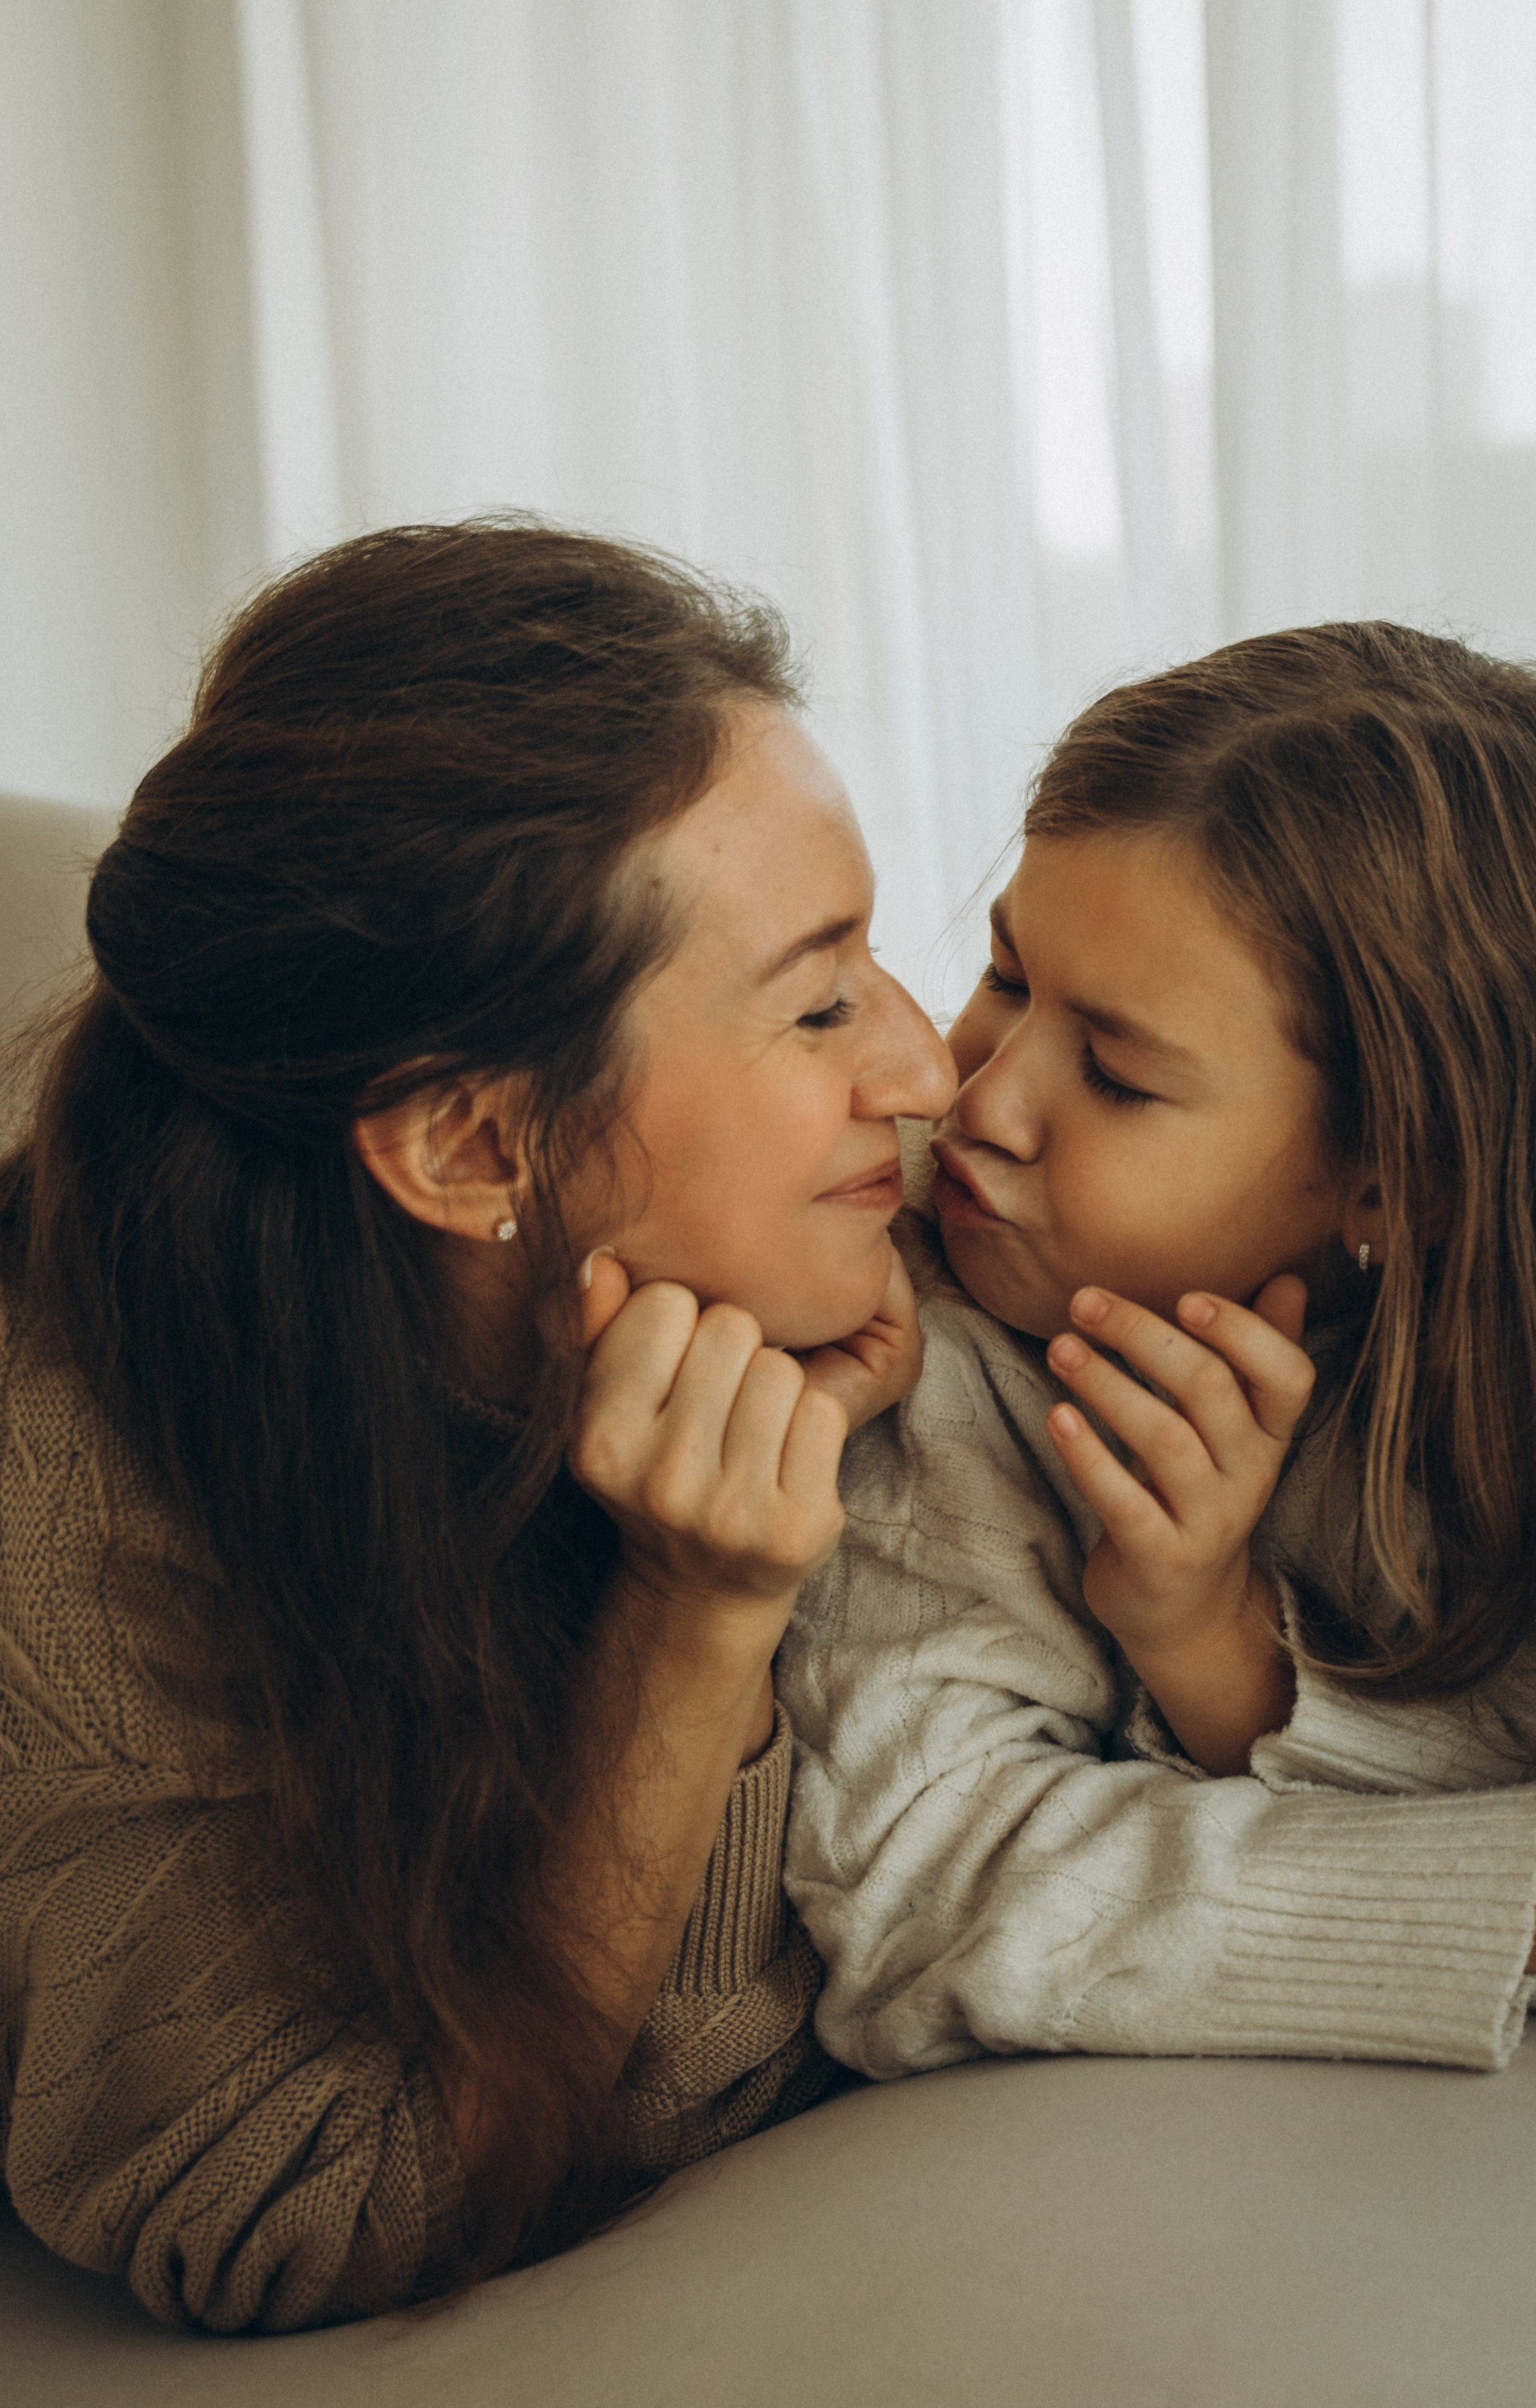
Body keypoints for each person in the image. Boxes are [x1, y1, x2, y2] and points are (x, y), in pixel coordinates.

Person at [0, 520, 953, 2332]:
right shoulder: (59, 1531)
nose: (924, 1068)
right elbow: (318, 2217)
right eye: (821, 1001)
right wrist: (693, 1626)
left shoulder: (760, 1250)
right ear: (467, 1147)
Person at [780, 621, 1536, 2085]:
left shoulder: (1521, 1379)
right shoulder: (914, 1311)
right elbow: (926, 1884)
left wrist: (1219, 1655)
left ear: (1395, 1180)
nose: (975, 1101)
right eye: (1005, 974)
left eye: (1113, 1074)